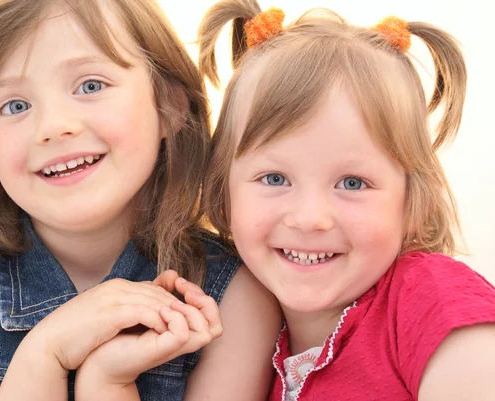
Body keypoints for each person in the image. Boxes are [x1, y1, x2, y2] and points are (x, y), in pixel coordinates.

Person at [0, 1, 281, 400]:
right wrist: (42, 356)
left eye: (90, 86)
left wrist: (106, 380)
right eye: (15, 106)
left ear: (170, 105)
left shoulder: (235, 297)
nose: (53, 127)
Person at [198, 1, 495, 400]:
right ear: (223, 193)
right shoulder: (245, 339)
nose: (309, 218)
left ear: (414, 201)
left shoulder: (429, 298)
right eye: (274, 178)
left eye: (352, 183)